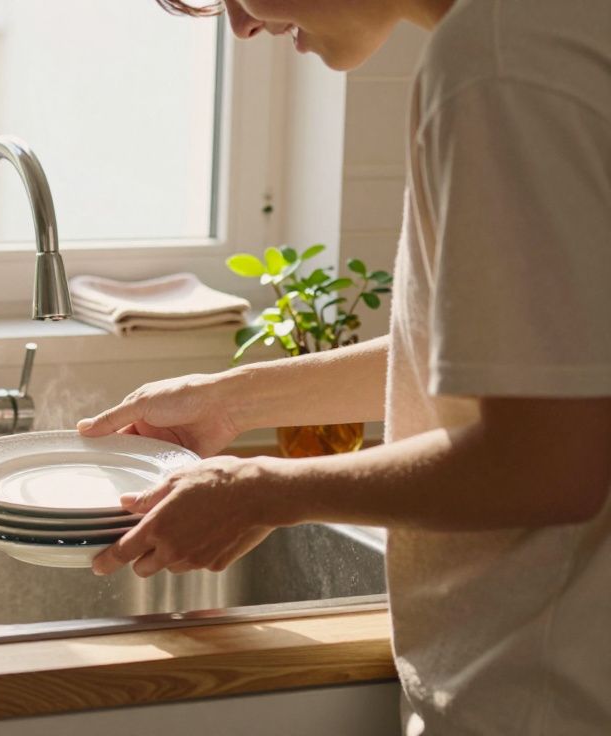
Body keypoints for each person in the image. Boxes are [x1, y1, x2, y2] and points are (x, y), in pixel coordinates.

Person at [79, 1, 611, 733]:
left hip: (543, 700)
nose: (240, 25)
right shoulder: (551, 27)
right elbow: (537, 359)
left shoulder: (494, 60)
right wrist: (233, 400)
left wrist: (262, 491)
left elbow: (547, 462)